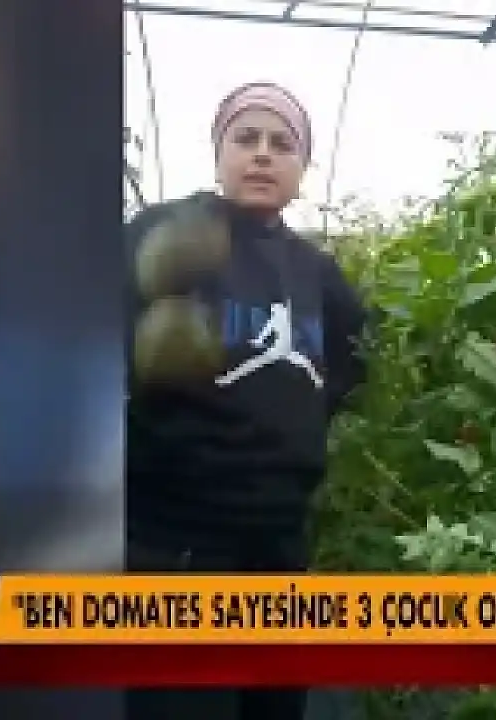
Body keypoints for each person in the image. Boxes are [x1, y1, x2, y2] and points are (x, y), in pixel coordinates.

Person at [123, 83, 368, 720]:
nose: (263, 153)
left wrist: (301, 414)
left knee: (275, 703)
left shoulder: (314, 271)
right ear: (220, 152)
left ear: (302, 167)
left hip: (279, 537)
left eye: (282, 144)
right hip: (177, 541)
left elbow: (352, 354)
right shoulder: (166, 234)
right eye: (246, 138)